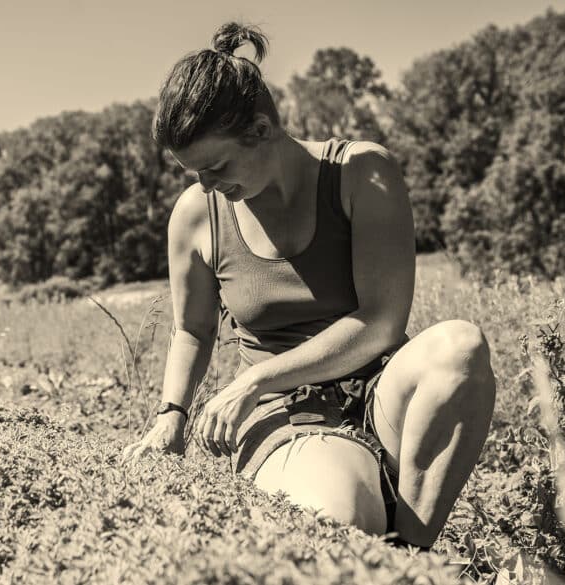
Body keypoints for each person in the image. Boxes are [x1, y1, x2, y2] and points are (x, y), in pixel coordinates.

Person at [120, 22, 496, 550]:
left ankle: (413, 557)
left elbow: (381, 321)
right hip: (285, 411)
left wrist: (249, 381)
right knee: (342, 516)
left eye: (215, 166)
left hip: (380, 392)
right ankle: (372, 530)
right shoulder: (196, 215)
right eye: (193, 172)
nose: (206, 185)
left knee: (462, 346)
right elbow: (192, 330)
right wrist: (171, 416)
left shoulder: (362, 173)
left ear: (261, 129)